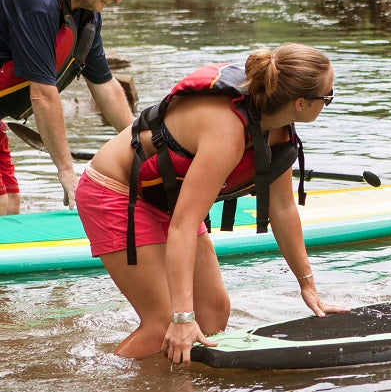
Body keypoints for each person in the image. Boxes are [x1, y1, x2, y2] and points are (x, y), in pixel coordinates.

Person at [74, 43, 349, 366]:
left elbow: (283, 209)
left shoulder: (278, 130)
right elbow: (183, 226)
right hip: (117, 190)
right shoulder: (227, 133)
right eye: (327, 97)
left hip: (165, 196)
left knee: (213, 314)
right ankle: (98, 386)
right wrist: (179, 318)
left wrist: (308, 286)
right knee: (163, 324)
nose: (328, 102)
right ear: (301, 103)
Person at [0, 0, 138, 214]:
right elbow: (42, 94)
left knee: (9, 204)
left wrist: (140, 145)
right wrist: (66, 171)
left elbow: (105, 86)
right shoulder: (37, 0)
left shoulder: (85, 16)